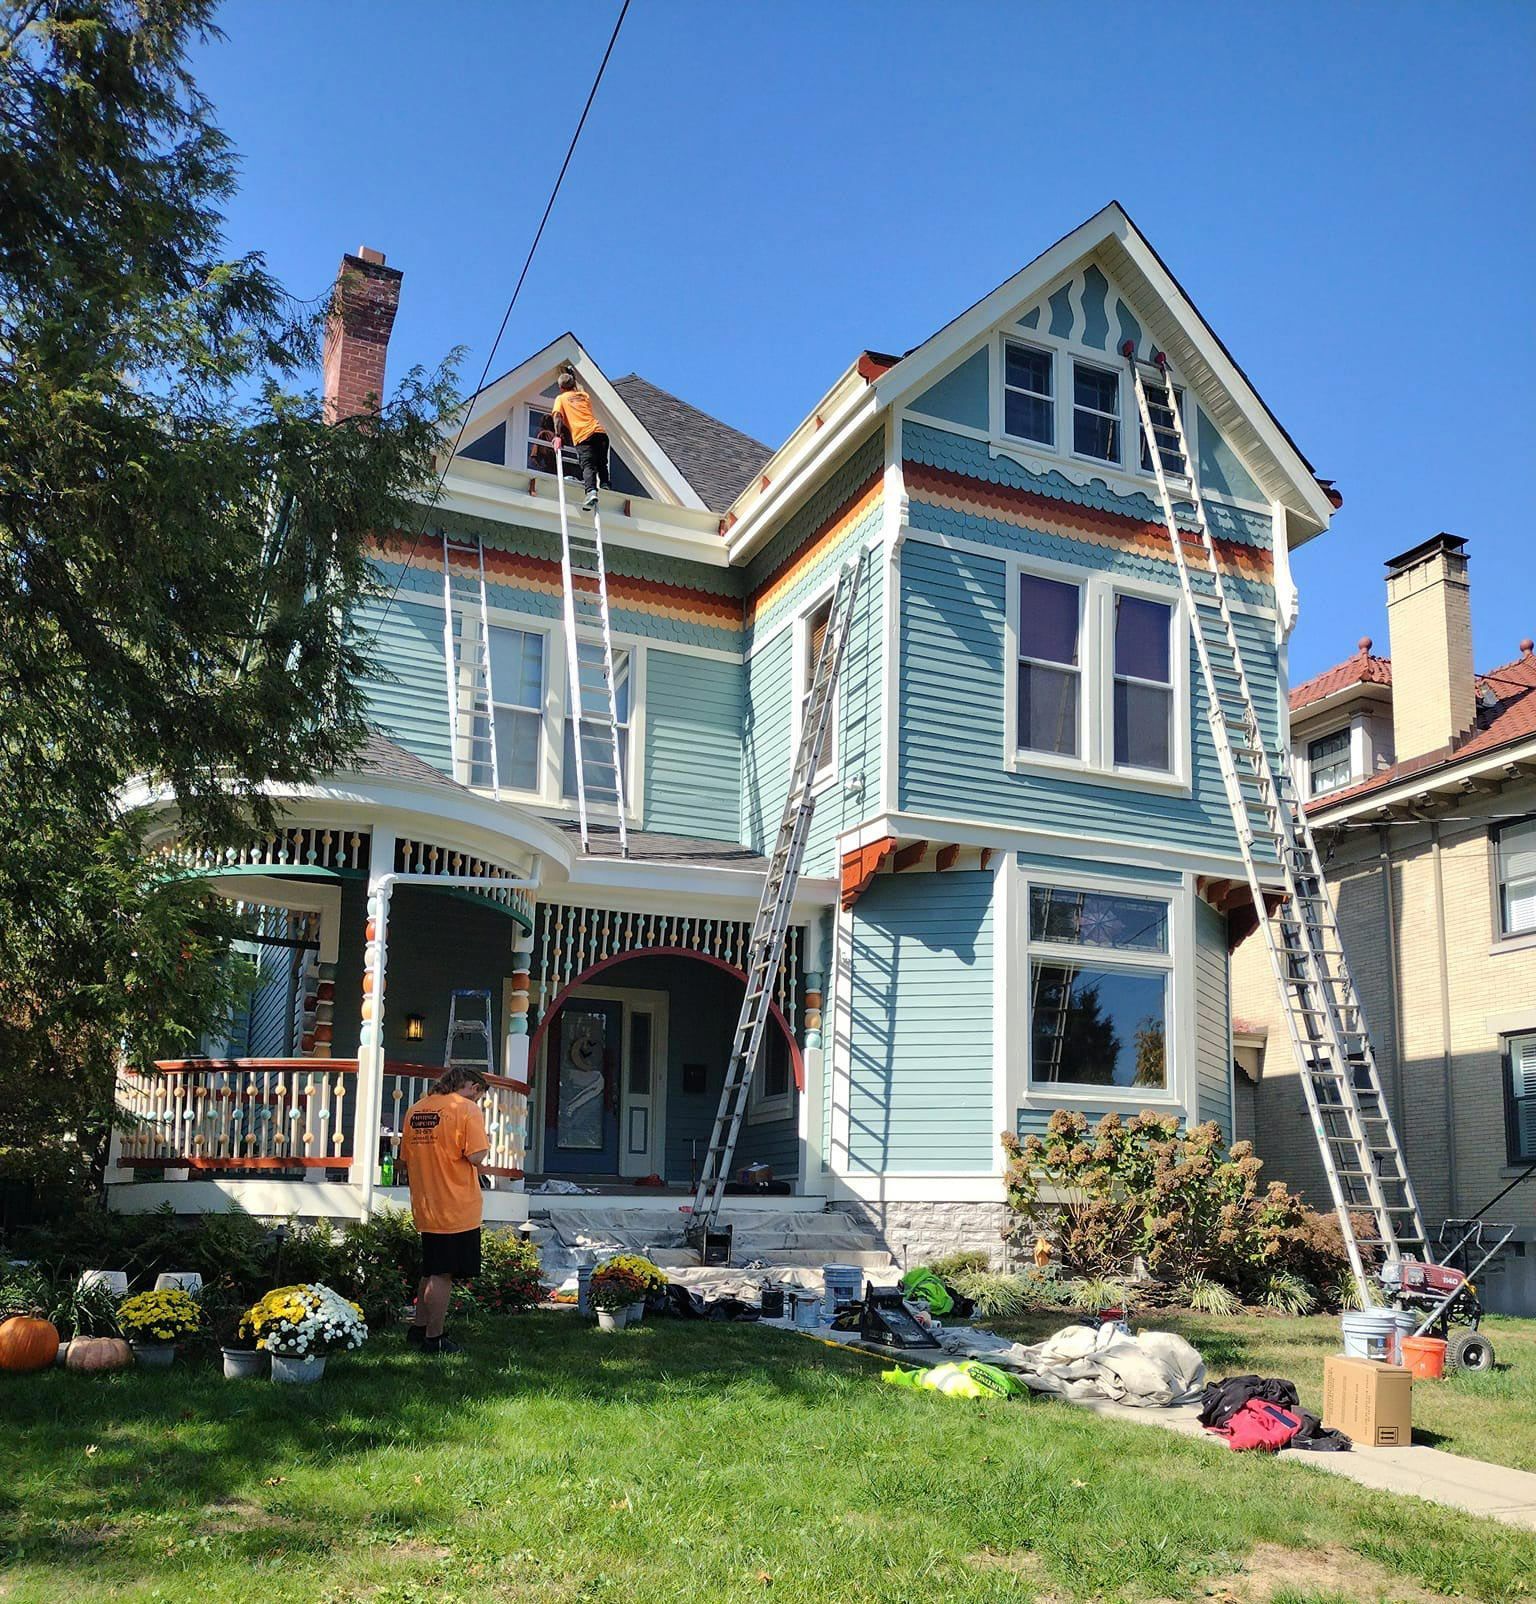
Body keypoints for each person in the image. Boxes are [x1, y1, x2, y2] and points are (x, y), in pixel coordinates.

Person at [401, 1065, 490, 1355]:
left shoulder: (416, 1110)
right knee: (443, 1274)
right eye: (478, 1096)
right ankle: (434, 1338)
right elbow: (476, 1155)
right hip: (456, 1205)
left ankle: (418, 1328)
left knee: (430, 1269)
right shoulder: (466, 1109)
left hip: (426, 1203)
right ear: (473, 1088)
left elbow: (405, 1158)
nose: (477, 1102)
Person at [550, 366, 609, 512]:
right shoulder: (584, 396)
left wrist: (557, 435)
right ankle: (605, 483)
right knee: (601, 462)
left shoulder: (561, 398)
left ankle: (591, 492)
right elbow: (578, 387)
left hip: (583, 436)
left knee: (588, 465)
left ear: (560, 387)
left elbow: (557, 416)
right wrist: (573, 374)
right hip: (600, 433)